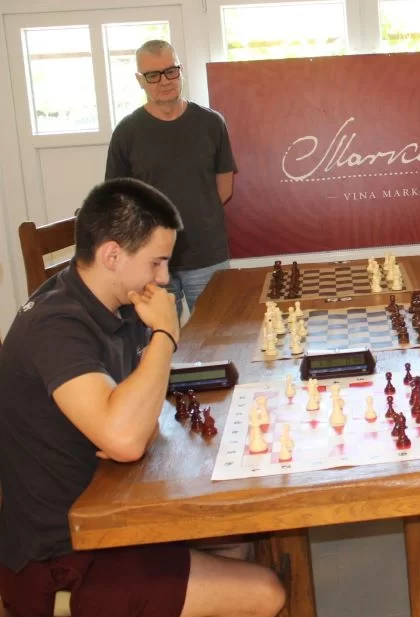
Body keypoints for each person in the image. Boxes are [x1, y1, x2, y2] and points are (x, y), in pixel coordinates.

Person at [0, 178, 284, 617]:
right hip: (64, 553)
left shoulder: (118, 300)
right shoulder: (56, 327)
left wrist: (128, 422)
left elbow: (142, 421)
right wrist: (165, 334)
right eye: (157, 262)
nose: (165, 279)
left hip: (114, 506)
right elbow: (129, 439)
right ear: (112, 255)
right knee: (266, 591)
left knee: (240, 538)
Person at [105, 39, 237, 319]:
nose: (164, 81)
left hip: (206, 256)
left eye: (170, 71)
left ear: (180, 70)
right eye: (153, 75)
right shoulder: (127, 133)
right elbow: (118, 200)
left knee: (215, 333)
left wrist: (199, 216)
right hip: (148, 261)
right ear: (140, 80)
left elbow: (224, 187)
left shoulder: (212, 123)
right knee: (160, 337)